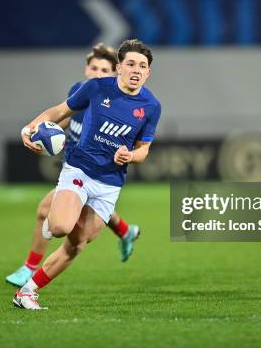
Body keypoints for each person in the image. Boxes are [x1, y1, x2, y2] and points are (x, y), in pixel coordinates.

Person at [13, 39, 161, 309]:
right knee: (59, 228)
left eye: (142, 66)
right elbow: (59, 112)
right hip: (80, 169)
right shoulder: (94, 88)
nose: (136, 69)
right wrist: (29, 128)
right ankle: (59, 219)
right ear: (119, 67)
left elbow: (144, 150)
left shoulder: (151, 106)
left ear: (148, 72)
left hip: (111, 183)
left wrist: (131, 156)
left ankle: (27, 292)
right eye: (130, 64)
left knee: (78, 244)